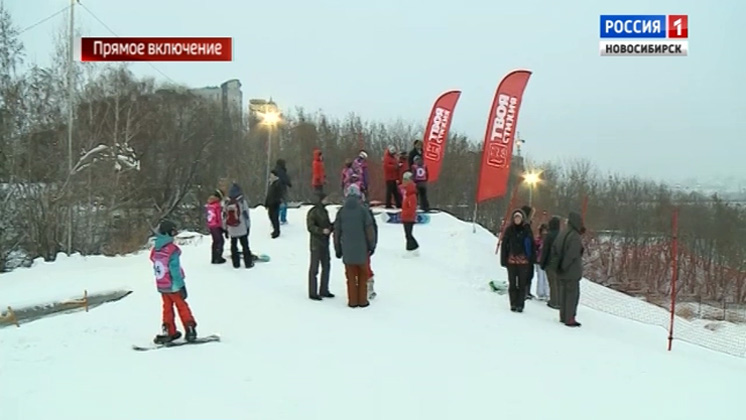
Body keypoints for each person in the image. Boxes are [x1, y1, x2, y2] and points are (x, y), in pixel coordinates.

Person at [150, 220, 198, 344]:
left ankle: (168, 330)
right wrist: (181, 285)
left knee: (167, 307)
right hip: (174, 285)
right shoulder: (172, 250)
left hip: (162, 284)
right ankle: (190, 328)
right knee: (182, 305)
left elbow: (153, 259)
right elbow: (174, 269)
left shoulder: (156, 249)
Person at [333, 184, 377, 308]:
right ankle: (362, 301)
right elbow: (369, 230)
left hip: (347, 249)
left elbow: (337, 231)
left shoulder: (341, 211)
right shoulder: (363, 210)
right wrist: (371, 246)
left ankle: (352, 301)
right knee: (362, 276)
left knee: (351, 277)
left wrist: (337, 248)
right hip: (362, 249)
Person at [550, 211, 585, 327]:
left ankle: (563, 316)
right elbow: (572, 254)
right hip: (571, 271)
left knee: (563, 294)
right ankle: (570, 318)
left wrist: (559, 266)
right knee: (572, 295)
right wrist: (564, 266)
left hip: (561, 270)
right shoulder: (575, 236)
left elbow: (555, 249)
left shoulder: (563, 233)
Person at [500, 209, 536, 313]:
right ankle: (513, 303)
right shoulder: (509, 230)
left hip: (523, 262)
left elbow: (531, 245)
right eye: (515, 217)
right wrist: (503, 260)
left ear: (522, 219)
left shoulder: (526, 230)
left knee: (522, 284)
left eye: (519, 218)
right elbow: (504, 246)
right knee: (512, 283)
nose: (517, 220)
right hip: (511, 261)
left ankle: (520, 304)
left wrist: (532, 259)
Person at [306, 191, 334, 300]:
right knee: (314, 268)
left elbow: (327, 225)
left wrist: (332, 226)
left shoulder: (324, 211)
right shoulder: (313, 212)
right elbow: (310, 227)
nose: (327, 200)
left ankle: (324, 289)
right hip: (316, 244)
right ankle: (312, 292)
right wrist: (322, 231)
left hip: (325, 242)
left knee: (326, 266)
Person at [225, 183, 254, 269]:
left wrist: (225, 228)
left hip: (231, 228)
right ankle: (248, 263)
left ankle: (236, 263)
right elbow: (246, 215)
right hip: (241, 227)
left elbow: (224, 216)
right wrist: (248, 226)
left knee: (233, 245)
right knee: (245, 245)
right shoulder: (241, 201)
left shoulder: (227, 202)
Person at [539, 216, 562, 309]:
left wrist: (542, 263)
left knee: (552, 283)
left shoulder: (549, 235)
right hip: (559, 262)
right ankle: (560, 301)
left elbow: (545, 250)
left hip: (550, 261)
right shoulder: (562, 235)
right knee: (558, 282)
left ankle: (553, 301)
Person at [362, 199, 379, 299]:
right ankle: (366, 286)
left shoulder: (365, 214)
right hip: (365, 244)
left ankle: (368, 286)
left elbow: (372, 230)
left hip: (364, 244)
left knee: (364, 266)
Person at [400, 171, 419, 255]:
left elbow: (412, 208)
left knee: (408, 234)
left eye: (405, 180)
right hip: (406, 217)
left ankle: (411, 249)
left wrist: (407, 214)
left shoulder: (411, 195)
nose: (403, 181)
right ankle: (413, 248)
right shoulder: (406, 193)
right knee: (407, 234)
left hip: (409, 217)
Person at [205, 192, 227, 264]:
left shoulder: (210, 205)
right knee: (220, 241)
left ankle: (214, 257)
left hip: (211, 224)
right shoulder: (217, 205)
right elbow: (218, 217)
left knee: (215, 241)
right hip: (216, 225)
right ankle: (218, 257)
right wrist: (222, 226)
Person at [521, 205, 537, 299]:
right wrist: (529, 254)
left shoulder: (527, 226)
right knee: (526, 273)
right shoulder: (525, 226)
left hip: (528, 255)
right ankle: (524, 291)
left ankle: (527, 290)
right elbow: (526, 241)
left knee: (529, 274)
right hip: (526, 255)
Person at [273, 159, 292, 224]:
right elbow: (285, 179)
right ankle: (283, 219)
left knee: (277, 204)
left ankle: (276, 217)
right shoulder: (282, 171)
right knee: (283, 203)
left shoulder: (274, 171)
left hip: (275, 190)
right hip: (282, 189)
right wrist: (289, 183)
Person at [265, 171, 284, 238]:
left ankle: (277, 231)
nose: (270, 176)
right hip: (270, 203)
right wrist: (266, 202)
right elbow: (269, 194)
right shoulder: (271, 183)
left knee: (275, 217)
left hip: (275, 203)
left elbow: (280, 194)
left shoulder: (278, 183)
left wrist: (278, 201)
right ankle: (274, 230)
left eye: (272, 175)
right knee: (271, 217)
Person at [534, 224, 550, 300]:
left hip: (544, 260)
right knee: (541, 277)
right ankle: (541, 293)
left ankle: (546, 293)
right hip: (539, 261)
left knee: (545, 277)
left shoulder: (540, 240)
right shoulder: (538, 240)